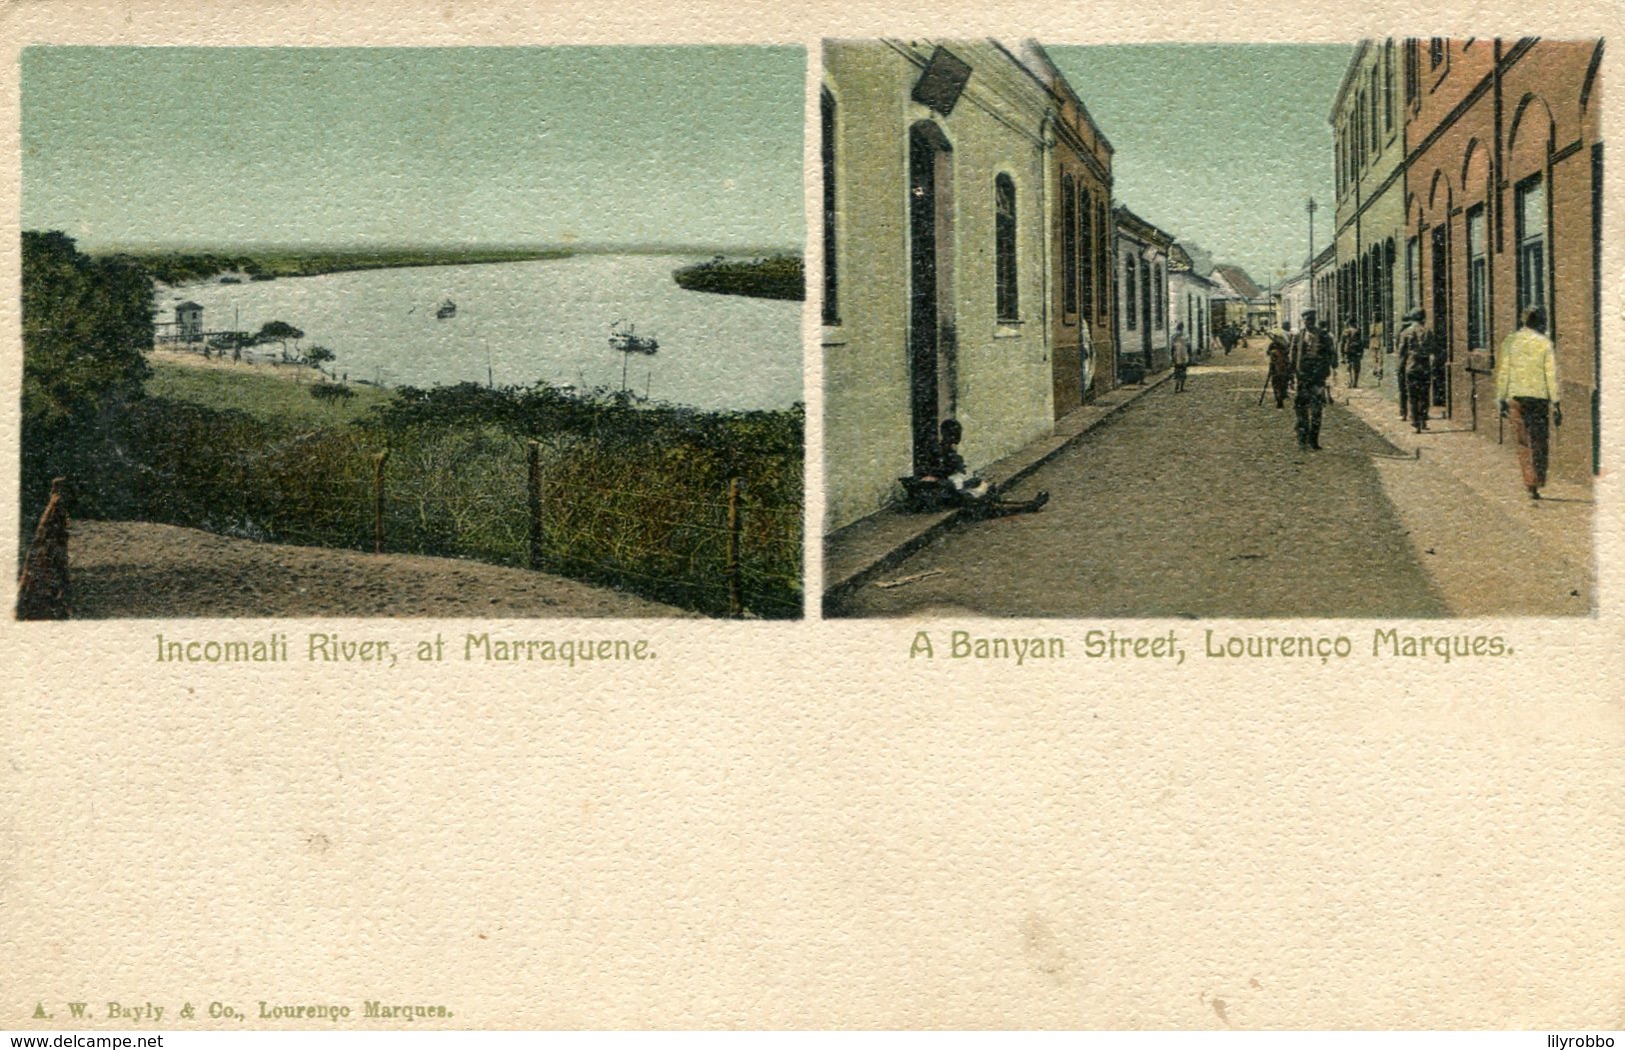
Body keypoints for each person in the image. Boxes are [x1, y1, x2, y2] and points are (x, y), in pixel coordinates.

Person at [918, 419, 1049, 517]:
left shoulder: (947, 450)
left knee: (987, 498)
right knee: (989, 508)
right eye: (956, 432)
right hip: (950, 493)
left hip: (956, 489)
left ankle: (1027, 504)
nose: (959, 436)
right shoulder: (940, 451)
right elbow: (941, 475)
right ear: (948, 433)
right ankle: (1028, 506)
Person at [1496, 307, 1562, 499]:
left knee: (1523, 441)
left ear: (1523, 321)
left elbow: (1503, 372)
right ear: (1539, 322)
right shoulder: (1544, 343)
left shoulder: (1510, 341)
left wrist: (1501, 398)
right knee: (1540, 440)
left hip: (1517, 399)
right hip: (1539, 399)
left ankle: (1530, 482)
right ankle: (1538, 479)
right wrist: (1556, 402)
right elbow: (1551, 375)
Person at [1290, 309, 1336, 450]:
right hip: (1302, 377)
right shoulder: (1298, 336)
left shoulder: (1324, 336)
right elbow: (1293, 355)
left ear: (1315, 320)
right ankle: (1302, 439)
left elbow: (1331, 354)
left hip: (1317, 378)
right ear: (1303, 321)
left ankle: (1313, 440)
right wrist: (1291, 374)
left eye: (1311, 319)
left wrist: (1330, 370)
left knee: (1316, 410)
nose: (1309, 322)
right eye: (1306, 320)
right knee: (1301, 409)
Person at [1396, 308, 1434, 432]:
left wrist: (1400, 368)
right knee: (1424, 394)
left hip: (1411, 367)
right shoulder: (1428, 332)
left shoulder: (1406, 332)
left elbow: (1402, 353)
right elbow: (1433, 350)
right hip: (1424, 367)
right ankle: (1423, 420)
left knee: (1413, 395)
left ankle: (1415, 422)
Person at [1266, 321, 1293, 409]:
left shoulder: (1274, 345)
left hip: (1277, 367)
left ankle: (1279, 398)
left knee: (1276, 383)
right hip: (1282, 367)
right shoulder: (1287, 341)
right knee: (1283, 381)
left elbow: (1268, 353)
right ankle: (1281, 396)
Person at [1339, 320, 1365, 389]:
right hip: (1356, 351)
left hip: (1347, 351)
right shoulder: (1357, 332)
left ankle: (1350, 382)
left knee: (1348, 367)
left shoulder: (1345, 332)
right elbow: (1361, 343)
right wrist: (1361, 352)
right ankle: (1355, 383)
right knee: (1356, 368)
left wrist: (1342, 354)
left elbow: (1342, 343)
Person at [1171, 323, 1191, 393]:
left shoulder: (1173, 336)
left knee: (1177, 371)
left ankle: (1176, 387)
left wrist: (1172, 357)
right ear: (1182, 328)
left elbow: (1172, 347)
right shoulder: (1185, 336)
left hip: (1176, 356)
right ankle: (1181, 387)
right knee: (1183, 372)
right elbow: (1188, 345)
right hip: (1183, 355)